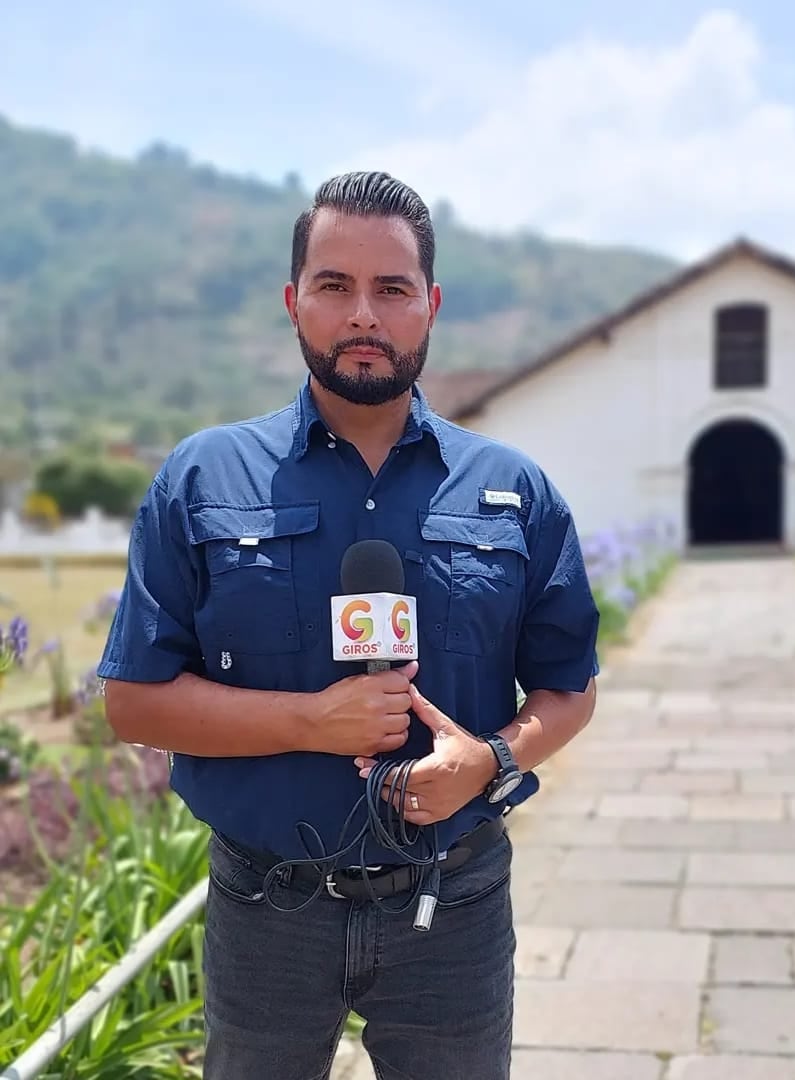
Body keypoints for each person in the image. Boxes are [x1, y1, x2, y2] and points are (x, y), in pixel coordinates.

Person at [97, 170, 600, 1080]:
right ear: (294, 302)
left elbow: (570, 689)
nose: (363, 313)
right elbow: (133, 703)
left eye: (392, 289)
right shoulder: (204, 477)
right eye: (335, 285)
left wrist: (493, 759)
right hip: (267, 910)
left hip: (455, 906)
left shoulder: (513, 490)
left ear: (431, 306)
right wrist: (306, 721)